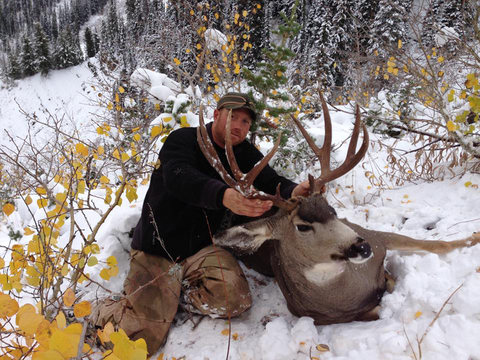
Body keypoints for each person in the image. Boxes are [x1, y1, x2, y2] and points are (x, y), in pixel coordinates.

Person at [90, 92, 309, 355]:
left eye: (246, 122)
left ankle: (174, 294)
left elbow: (270, 181)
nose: (239, 126)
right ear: (216, 115)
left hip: (201, 248)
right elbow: (179, 176)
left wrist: (295, 190)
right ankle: (103, 309)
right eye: (233, 117)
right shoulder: (183, 140)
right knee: (140, 341)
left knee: (235, 301)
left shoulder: (245, 153)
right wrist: (222, 195)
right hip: (159, 248)